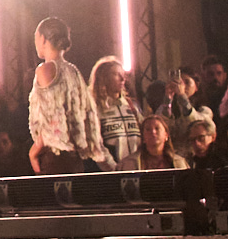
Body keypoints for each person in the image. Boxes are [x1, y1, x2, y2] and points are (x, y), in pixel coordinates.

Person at [27, 19, 105, 172]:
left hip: (54, 156)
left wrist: (34, 152)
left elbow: (53, 120)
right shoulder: (73, 71)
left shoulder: (46, 70)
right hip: (75, 156)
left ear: (43, 39)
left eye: (36, 37)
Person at [88, 57, 144, 171]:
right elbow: (96, 145)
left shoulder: (131, 105)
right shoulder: (94, 108)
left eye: (123, 74)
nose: (123, 78)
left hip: (137, 171)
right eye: (116, 74)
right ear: (103, 78)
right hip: (109, 176)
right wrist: (115, 170)